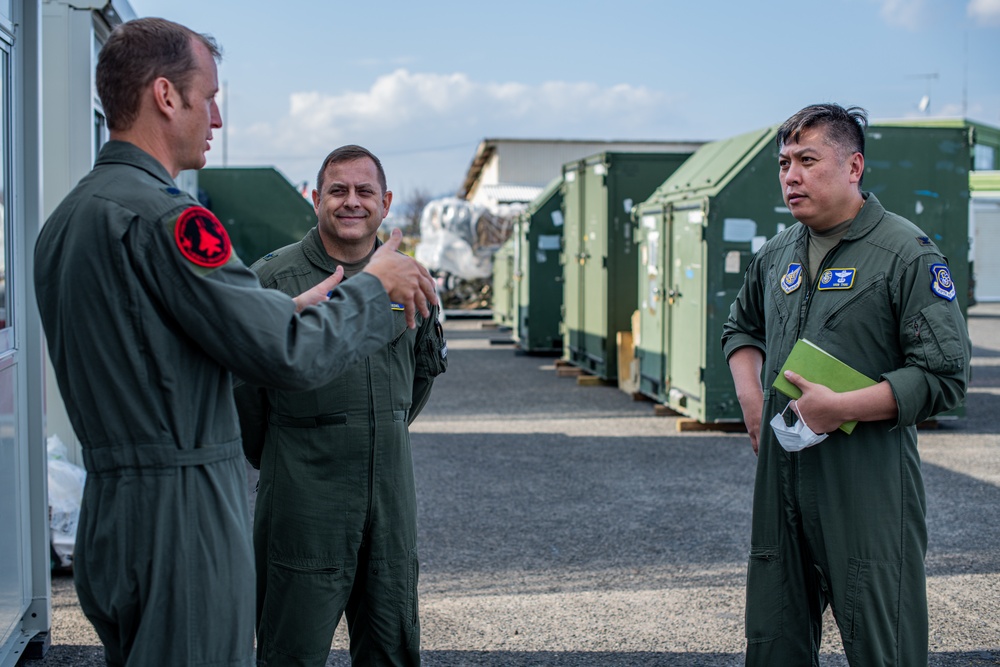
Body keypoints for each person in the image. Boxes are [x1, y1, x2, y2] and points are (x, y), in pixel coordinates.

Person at [33, 18, 437, 666]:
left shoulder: (69, 218)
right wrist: (375, 285)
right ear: (167, 96)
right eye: (209, 96)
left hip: (112, 511)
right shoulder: (172, 218)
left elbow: (152, 345)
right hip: (181, 520)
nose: (217, 118)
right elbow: (286, 356)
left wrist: (271, 307)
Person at [722, 103, 971, 666]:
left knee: (884, 646)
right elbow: (741, 327)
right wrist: (754, 403)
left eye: (808, 160)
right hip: (781, 478)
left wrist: (840, 408)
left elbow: (945, 374)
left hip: (867, 485)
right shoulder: (778, 253)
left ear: (853, 167)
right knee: (773, 639)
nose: (791, 175)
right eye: (784, 162)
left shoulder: (906, 254)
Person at [236, 145, 447, 667]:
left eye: (364, 191)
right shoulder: (272, 280)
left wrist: (382, 427)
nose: (351, 202)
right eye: (338, 190)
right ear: (316, 199)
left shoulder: (411, 279)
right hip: (304, 499)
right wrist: (293, 446)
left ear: (386, 202)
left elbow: (420, 376)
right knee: (292, 647)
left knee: (392, 644)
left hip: (389, 494)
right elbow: (246, 392)